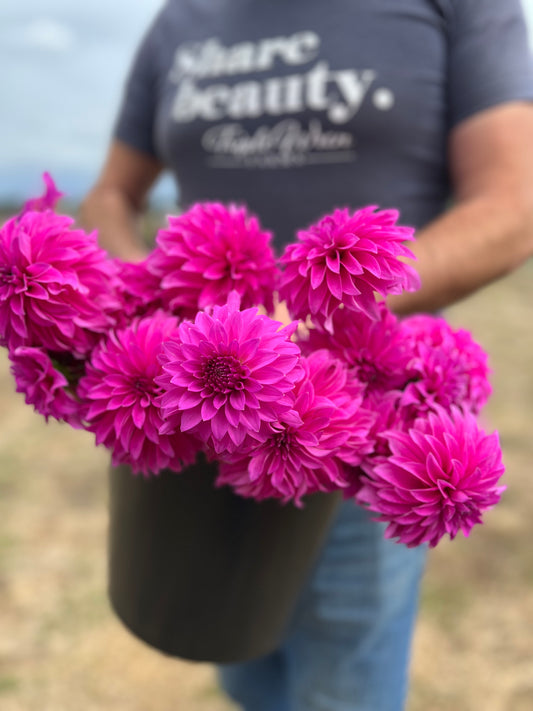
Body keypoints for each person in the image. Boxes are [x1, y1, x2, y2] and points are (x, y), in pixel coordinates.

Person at [81, 1, 533, 709]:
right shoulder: (183, 19)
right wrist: (138, 284)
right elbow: (111, 191)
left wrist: (313, 316)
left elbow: (513, 203)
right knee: (234, 648)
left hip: (356, 413)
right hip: (189, 399)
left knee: (343, 674)